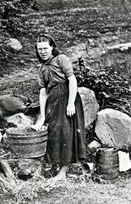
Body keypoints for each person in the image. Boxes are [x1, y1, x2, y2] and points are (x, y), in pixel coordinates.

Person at [31, 34, 86, 180]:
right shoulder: (42, 69)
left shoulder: (61, 59)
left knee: (66, 133)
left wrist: (70, 103)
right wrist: (42, 116)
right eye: (39, 49)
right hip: (54, 101)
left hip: (68, 98)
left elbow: (72, 80)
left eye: (45, 48)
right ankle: (54, 166)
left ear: (52, 48)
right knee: (53, 132)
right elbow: (43, 93)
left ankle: (63, 171)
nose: (42, 52)